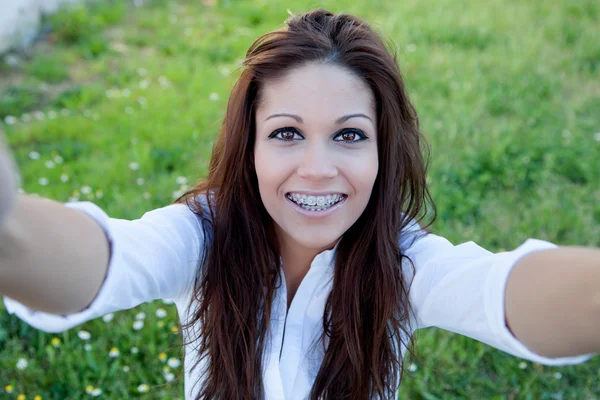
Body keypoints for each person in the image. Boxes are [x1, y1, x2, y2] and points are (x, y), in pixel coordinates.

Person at [0, 8, 598, 400]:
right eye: (287, 133)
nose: (317, 167)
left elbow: (501, 290)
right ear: (251, 148)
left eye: (349, 135)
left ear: (383, 152)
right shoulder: (203, 235)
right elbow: (101, 262)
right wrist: (9, 221)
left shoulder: (402, 257)